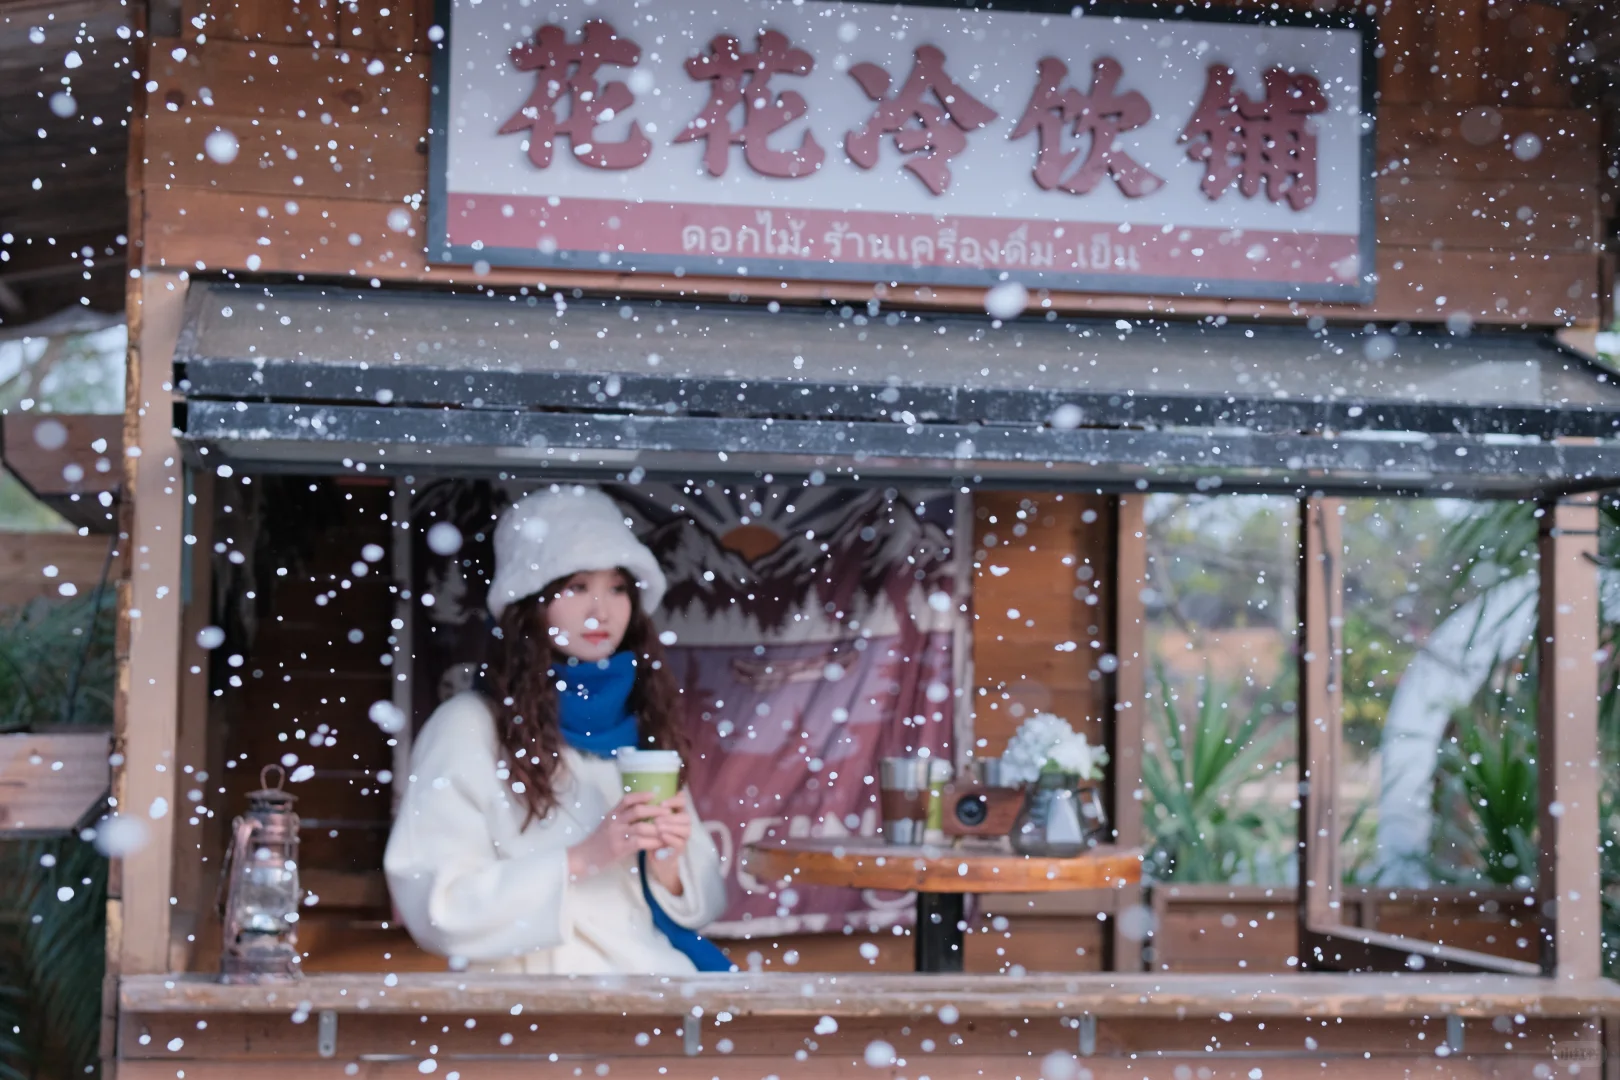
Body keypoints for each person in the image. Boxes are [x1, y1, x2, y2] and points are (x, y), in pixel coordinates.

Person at [385, 486, 732, 975]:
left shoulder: (643, 723)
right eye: (576, 587)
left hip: (657, 984)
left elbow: (701, 907)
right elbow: (436, 908)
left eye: (616, 587)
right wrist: (581, 859)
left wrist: (668, 867)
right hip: (541, 1010)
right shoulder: (468, 728)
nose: (602, 611)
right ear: (529, 602)